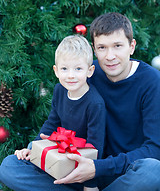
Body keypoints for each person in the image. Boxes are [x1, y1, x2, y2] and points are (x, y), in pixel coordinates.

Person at [54, 12, 160, 191]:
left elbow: (155, 148)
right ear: (94, 49)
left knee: (153, 171)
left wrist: (97, 169)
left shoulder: (151, 82)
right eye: (102, 48)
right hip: (81, 171)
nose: (110, 56)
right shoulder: (86, 73)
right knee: (11, 166)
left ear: (131, 46)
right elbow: (60, 116)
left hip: (126, 173)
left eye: (117, 46)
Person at [0, 35, 106, 191]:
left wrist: (90, 185)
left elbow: (96, 147)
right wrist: (33, 149)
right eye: (64, 68)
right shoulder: (60, 90)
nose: (71, 75)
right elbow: (52, 122)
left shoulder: (95, 103)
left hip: (81, 165)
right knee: (8, 165)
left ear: (90, 71)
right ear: (56, 71)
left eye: (78, 69)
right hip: (59, 156)